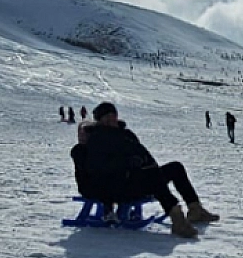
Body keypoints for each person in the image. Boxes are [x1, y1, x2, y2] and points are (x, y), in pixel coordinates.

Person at [72, 102, 217, 239]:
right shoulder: (98, 138)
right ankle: (177, 219)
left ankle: (195, 209)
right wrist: (128, 164)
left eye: (113, 114)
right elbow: (99, 167)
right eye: (106, 116)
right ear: (100, 120)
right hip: (120, 184)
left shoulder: (126, 134)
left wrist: (147, 163)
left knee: (175, 167)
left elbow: (141, 152)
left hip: (137, 177)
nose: (111, 118)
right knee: (152, 176)